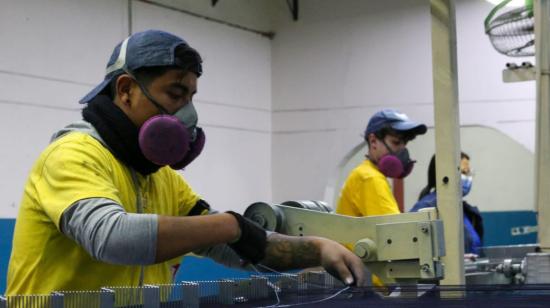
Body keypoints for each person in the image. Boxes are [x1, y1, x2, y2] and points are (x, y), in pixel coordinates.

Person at [6, 30, 366, 295]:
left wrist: (318, 249)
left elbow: (237, 244)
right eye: (175, 94)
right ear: (126, 91)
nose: (187, 113)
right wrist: (229, 225)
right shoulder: (73, 155)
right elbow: (110, 236)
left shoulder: (159, 177)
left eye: (191, 97)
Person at [335, 109, 426, 286]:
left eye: (404, 144)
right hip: (375, 287)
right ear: (373, 141)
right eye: (396, 142)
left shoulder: (367, 174)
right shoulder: (369, 178)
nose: (402, 151)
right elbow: (397, 238)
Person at [410, 153, 483, 255]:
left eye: (468, 173)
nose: (467, 178)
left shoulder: (465, 210)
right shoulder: (425, 207)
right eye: (462, 172)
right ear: (444, 174)